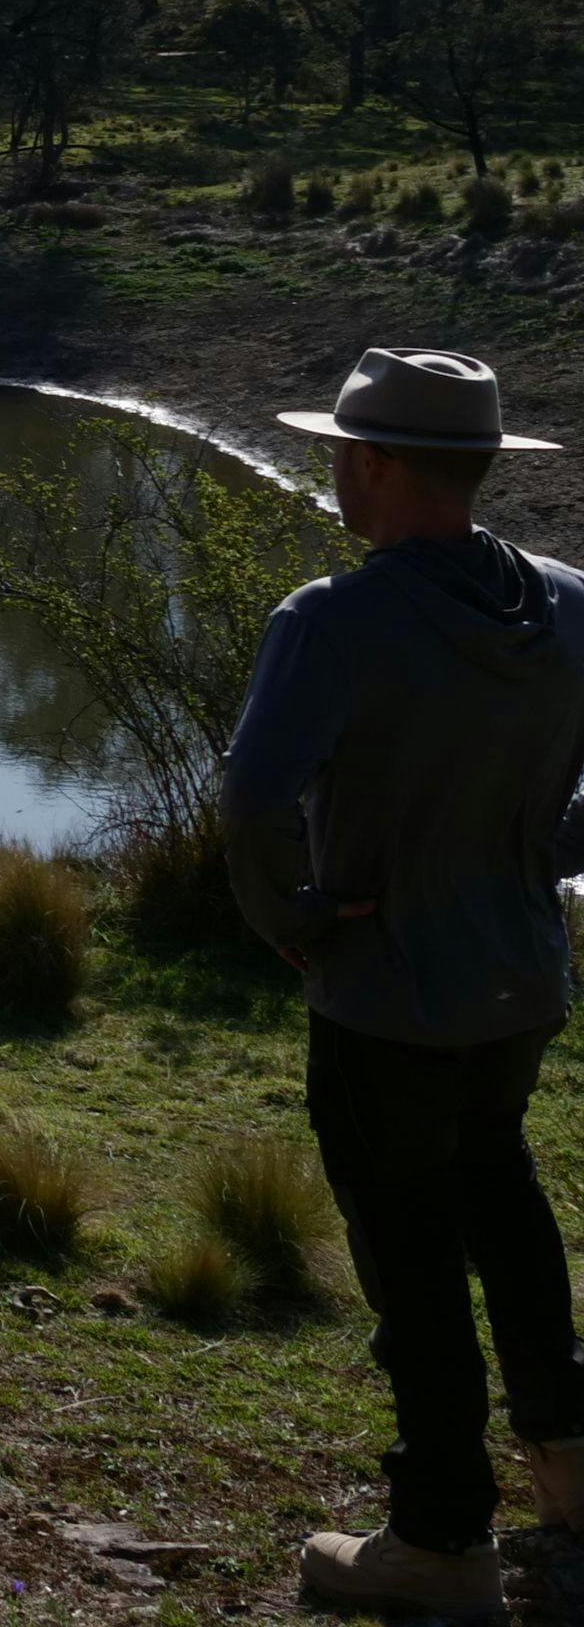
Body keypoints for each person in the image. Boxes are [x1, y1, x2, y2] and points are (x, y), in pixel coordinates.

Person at [227, 347, 584, 1613]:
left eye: (341, 448)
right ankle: (571, 1470)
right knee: (505, 1198)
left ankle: (438, 1544)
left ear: (375, 463)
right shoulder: (569, 603)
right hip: (521, 989)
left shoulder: (333, 618)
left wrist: (302, 925)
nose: (333, 467)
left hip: (385, 1003)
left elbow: (256, 798)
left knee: (413, 1260)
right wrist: (533, 848)